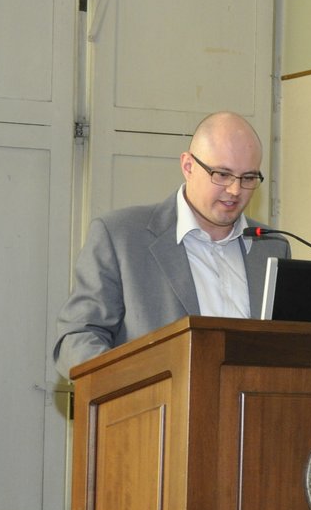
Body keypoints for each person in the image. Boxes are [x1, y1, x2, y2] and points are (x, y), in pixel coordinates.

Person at [53, 111, 290, 374]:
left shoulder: (272, 245)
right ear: (188, 166)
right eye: (222, 174)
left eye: (248, 178)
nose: (235, 190)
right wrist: (133, 389)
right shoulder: (121, 237)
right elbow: (77, 338)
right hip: (156, 410)